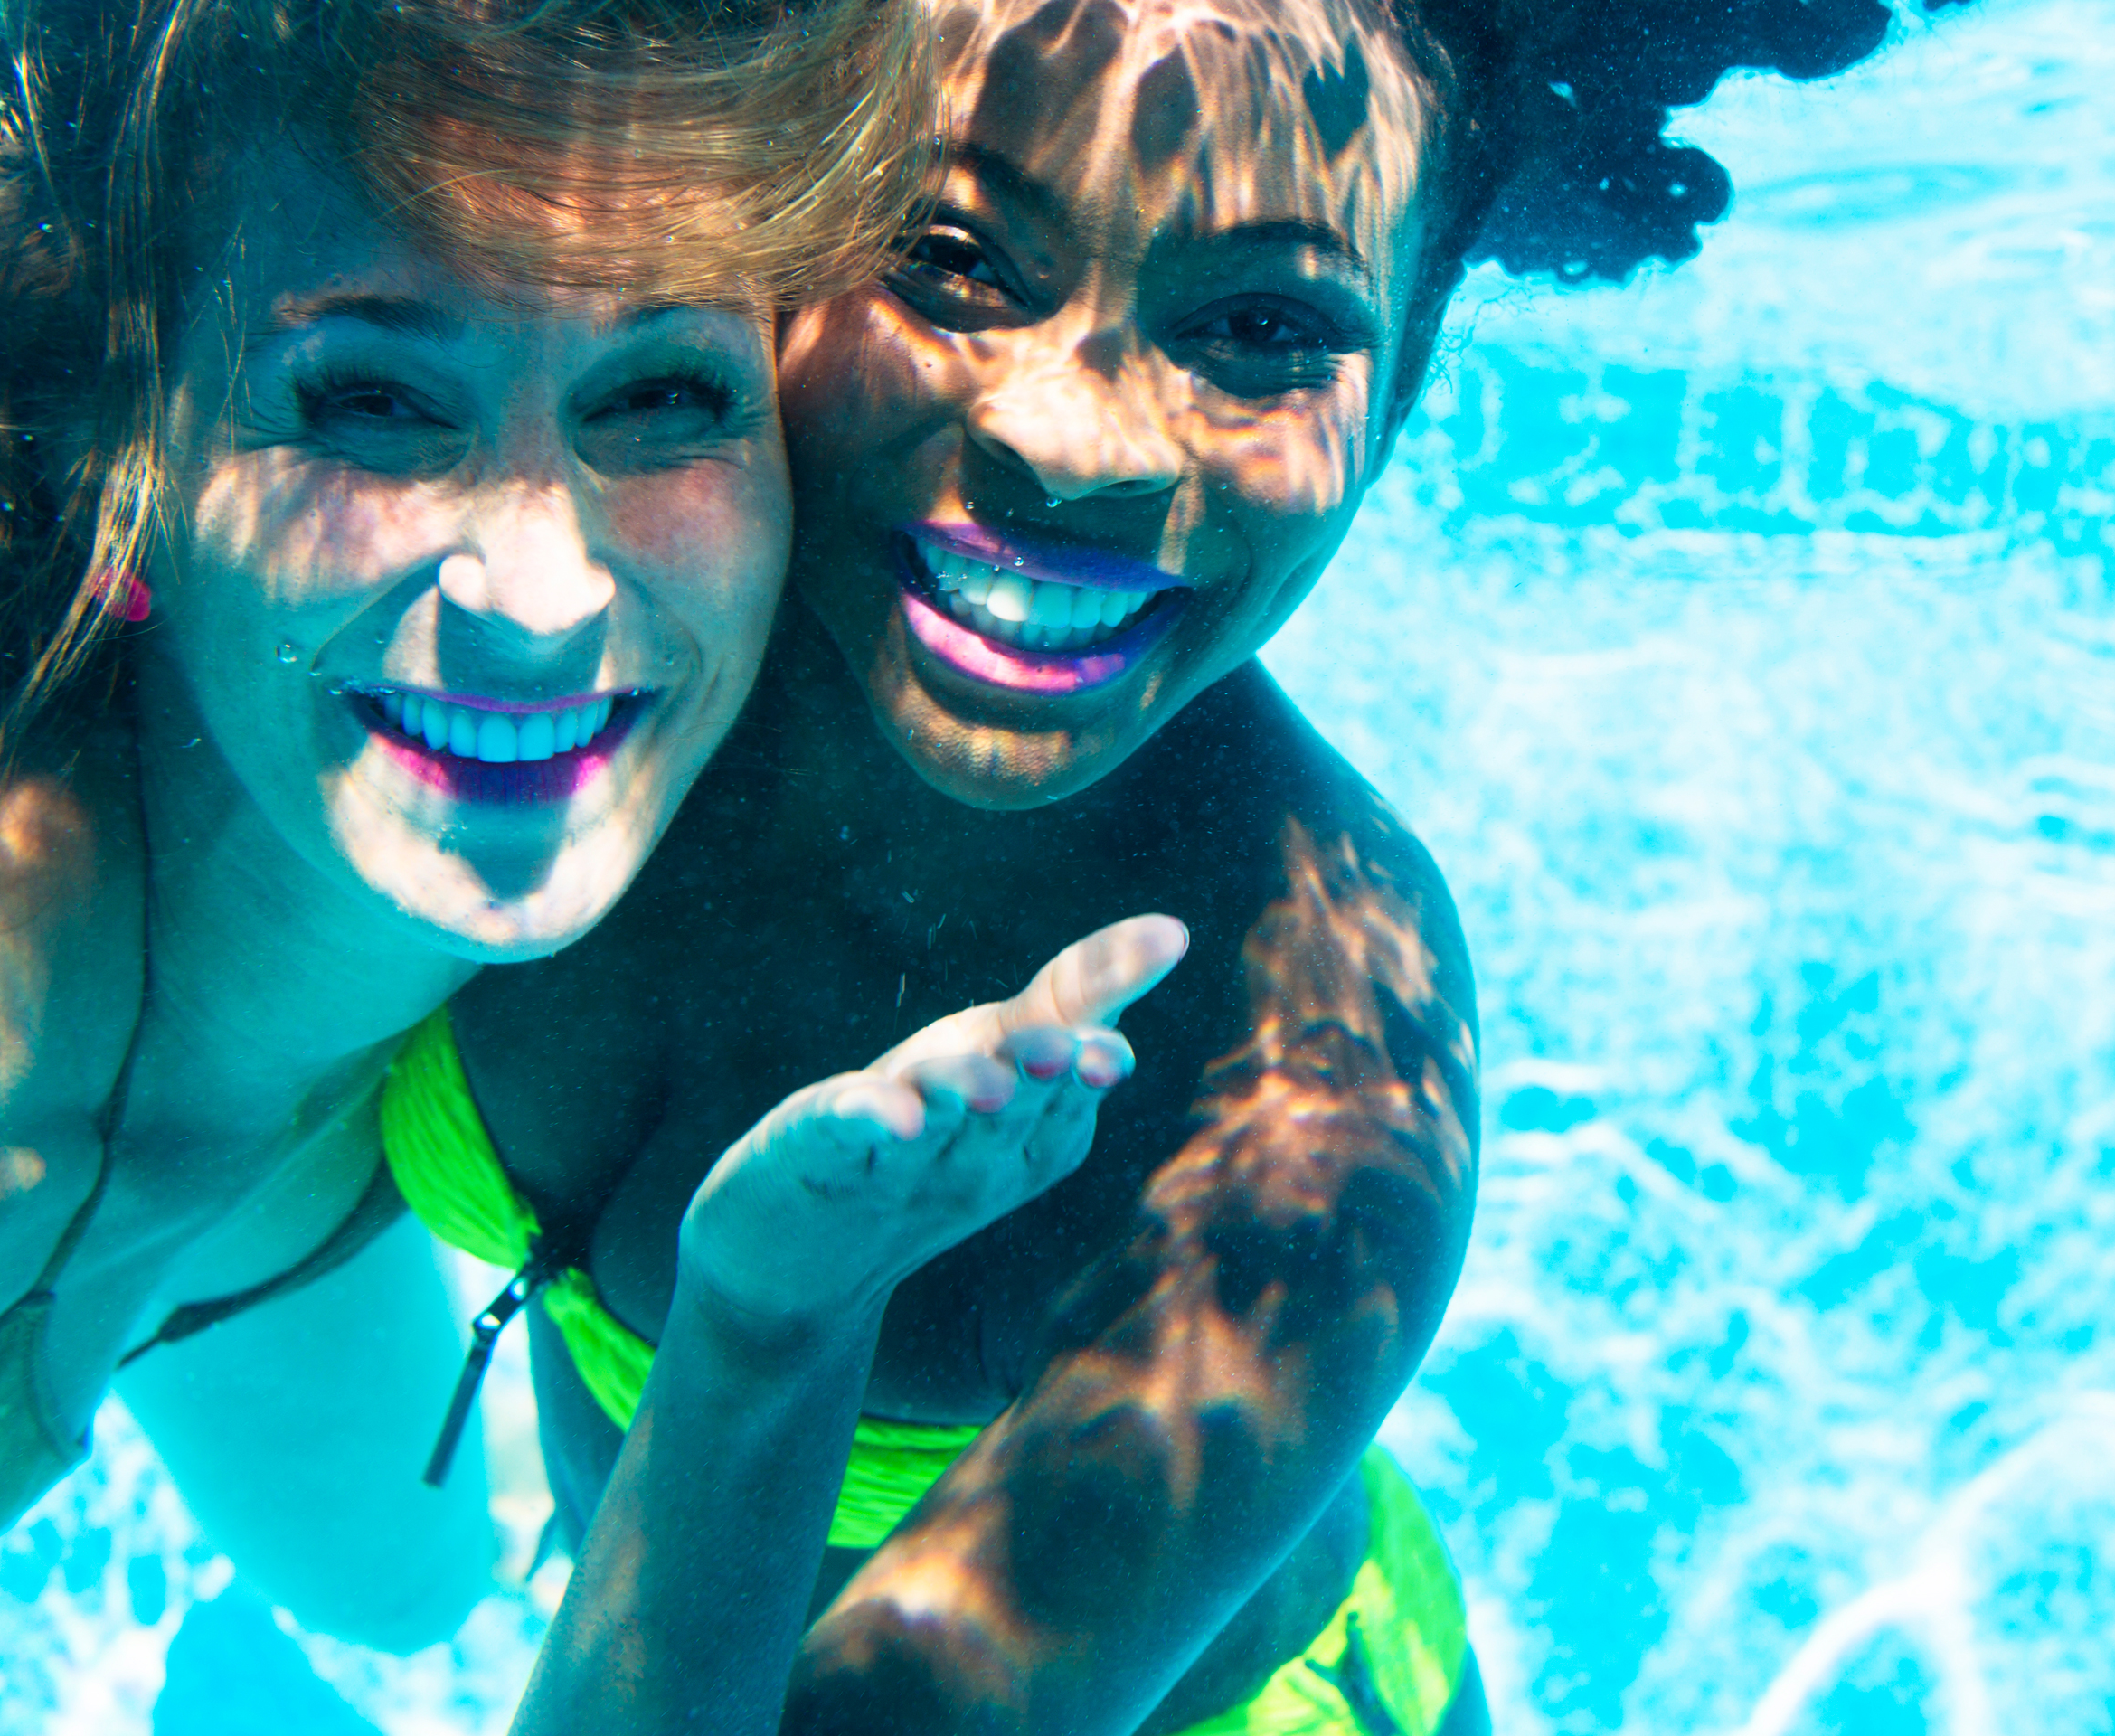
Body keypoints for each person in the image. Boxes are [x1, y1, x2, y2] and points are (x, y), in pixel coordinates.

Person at [452, 0, 1907, 1731]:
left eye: (1266, 327)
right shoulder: (514, 638)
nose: (1080, 442)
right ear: (768, 215)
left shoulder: (1320, 1092)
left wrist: (772, 1326)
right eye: (953, 256)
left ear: (1416, 381)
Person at [0, 0, 943, 1723]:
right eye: (372, 403)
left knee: (408, 1593)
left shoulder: (797, 619)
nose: (548, 597)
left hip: (264, 1133)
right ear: (119, 437)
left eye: (658, 391)